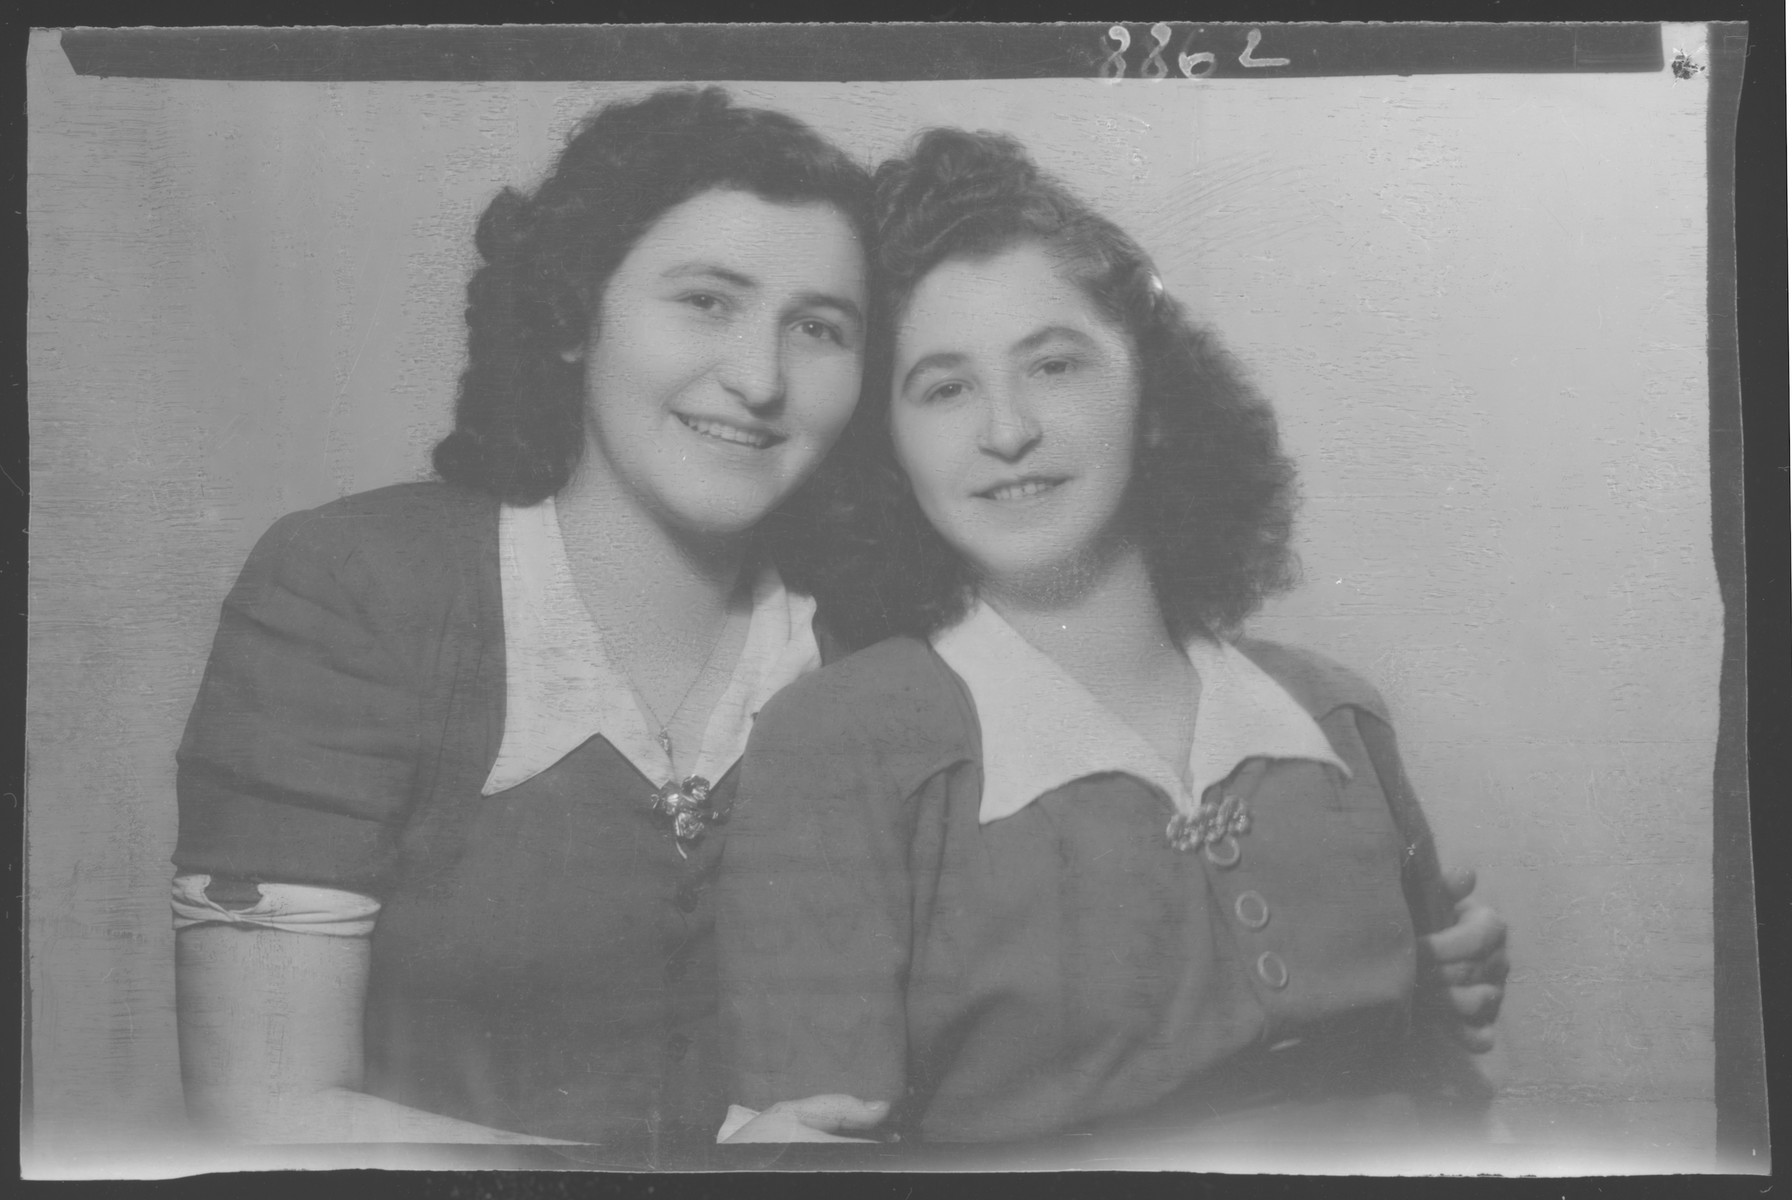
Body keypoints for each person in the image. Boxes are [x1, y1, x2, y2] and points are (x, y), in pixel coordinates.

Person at [716, 127, 1509, 1159]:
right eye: (944, 387)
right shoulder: (842, 746)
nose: (1006, 429)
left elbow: (1452, 1106)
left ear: (1151, 388)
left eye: (1053, 364)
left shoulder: (1333, 714)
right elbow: (818, 1157)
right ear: (888, 445)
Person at [170, 86, 875, 1166]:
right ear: (572, 314)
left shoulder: (872, 647)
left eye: (820, 328)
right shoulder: (356, 590)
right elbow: (261, 1117)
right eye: (705, 302)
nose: (760, 377)